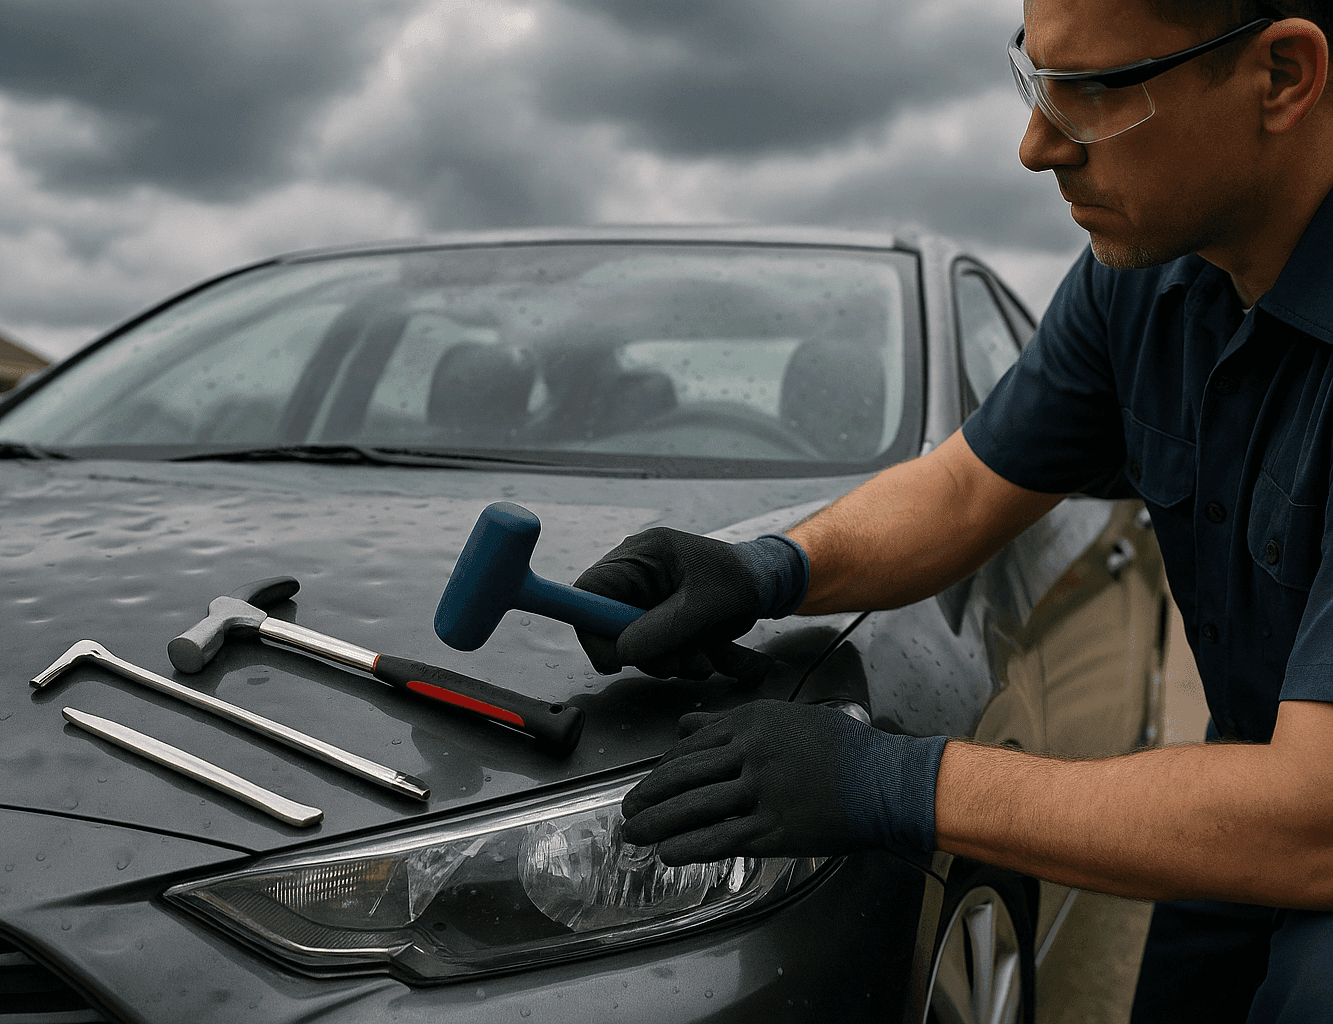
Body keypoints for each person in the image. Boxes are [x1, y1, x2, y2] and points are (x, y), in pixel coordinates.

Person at [570, 1, 1333, 1018]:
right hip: (1249, 793)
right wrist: (765, 568)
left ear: (1281, 76)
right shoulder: (1149, 284)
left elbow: (1311, 819)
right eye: (1036, 77)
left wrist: (894, 783)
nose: (1035, 145)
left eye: (1098, 91)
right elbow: (970, 483)